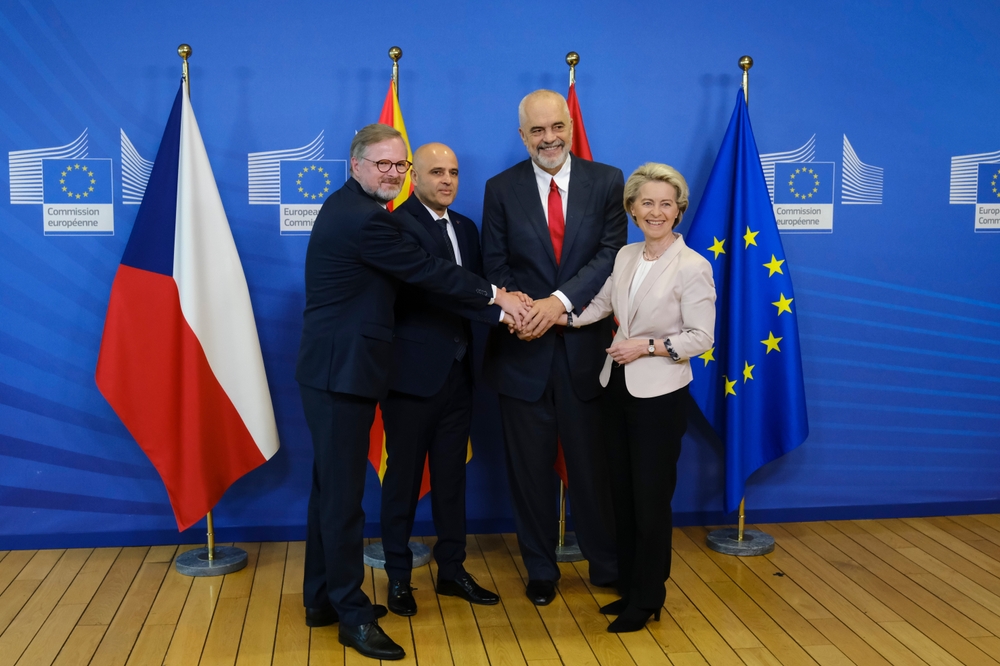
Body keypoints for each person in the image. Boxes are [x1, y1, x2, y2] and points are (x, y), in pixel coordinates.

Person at [296, 124, 528, 661]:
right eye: (384, 164)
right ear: (354, 165)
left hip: (337, 370)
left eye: (399, 165)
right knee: (342, 502)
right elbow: (427, 272)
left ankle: (321, 601)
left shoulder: (354, 209)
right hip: (341, 373)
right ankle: (351, 615)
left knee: (327, 494)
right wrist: (498, 295)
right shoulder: (364, 220)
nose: (393, 173)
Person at [481, 89, 627, 605]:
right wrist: (523, 311)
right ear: (522, 136)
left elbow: (611, 253)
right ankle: (541, 570)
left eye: (556, 127)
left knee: (593, 468)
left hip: (586, 354)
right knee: (529, 474)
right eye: (536, 131)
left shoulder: (608, 181)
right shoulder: (500, 189)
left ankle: (606, 565)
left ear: (570, 126)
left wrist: (558, 304)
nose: (549, 138)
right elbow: (494, 265)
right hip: (522, 353)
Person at [560, 163, 715, 632]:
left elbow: (701, 337)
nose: (656, 211)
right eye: (646, 202)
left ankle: (649, 597)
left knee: (650, 502)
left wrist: (647, 346)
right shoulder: (626, 255)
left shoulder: (693, 265)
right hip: (617, 390)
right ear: (631, 209)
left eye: (666, 203)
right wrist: (551, 315)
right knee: (621, 497)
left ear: (679, 211)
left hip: (660, 397)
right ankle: (630, 587)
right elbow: (601, 305)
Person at [379, 143, 502, 616]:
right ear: (414, 175)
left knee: (452, 481)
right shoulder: (394, 226)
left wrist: (512, 312)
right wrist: (506, 309)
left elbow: (475, 297)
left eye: (453, 172)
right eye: (436, 172)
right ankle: (398, 579)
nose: (447, 180)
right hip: (410, 380)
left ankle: (452, 571)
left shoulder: (467, 228)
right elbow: (434, 289)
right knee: (404, 483)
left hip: (459, 375)